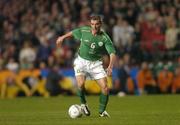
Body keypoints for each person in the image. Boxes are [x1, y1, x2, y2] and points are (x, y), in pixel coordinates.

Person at [56, 15, 116, 117]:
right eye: (92, 24)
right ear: (90, 24)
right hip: (81, 61)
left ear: (100, 24)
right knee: (80, 84)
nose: (94, 26)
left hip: (96, 64)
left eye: (97, 24)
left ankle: (102, 112)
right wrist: (62, 37)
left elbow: (112, 53)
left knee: (105, 88)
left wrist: (110, 66)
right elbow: (73, 32)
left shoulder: (105, 38)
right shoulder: (84, 31)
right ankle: (83, 104)